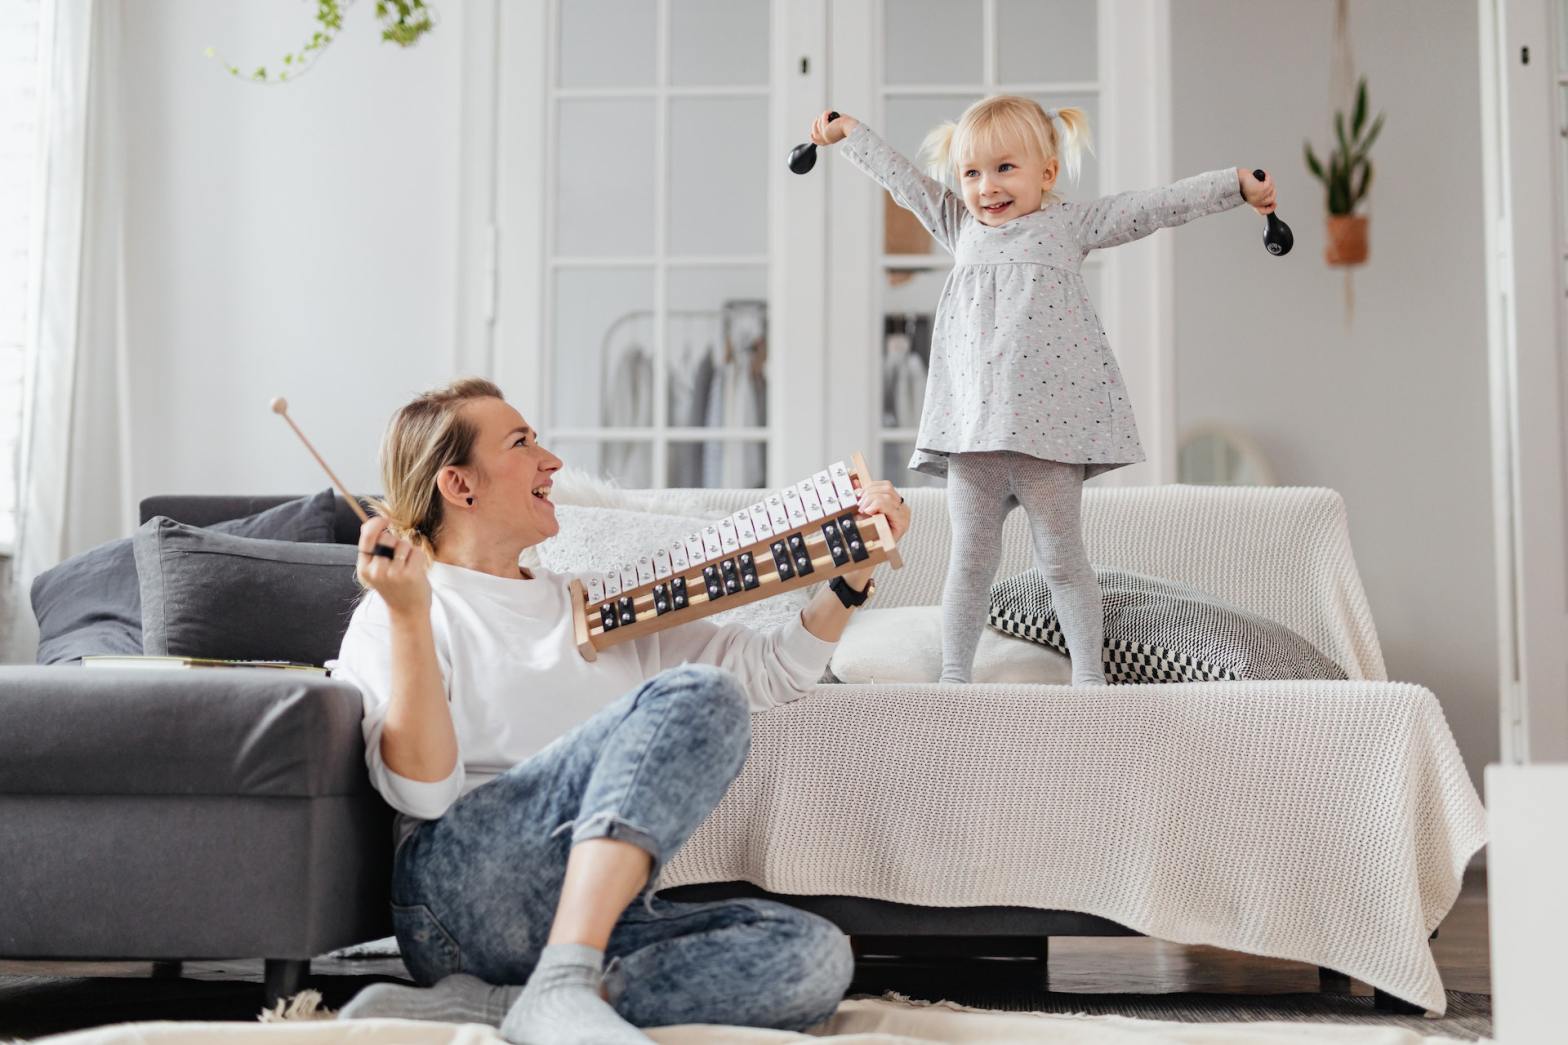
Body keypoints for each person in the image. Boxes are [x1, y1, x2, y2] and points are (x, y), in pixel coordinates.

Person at [331, 378, 912, 1044]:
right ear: (460, 486)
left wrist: (852, 572)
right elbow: (423, 793)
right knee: (702, 693)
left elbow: (776, 668)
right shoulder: (403, 608)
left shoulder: (599, 606)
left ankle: (516, 1001)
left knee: (816, 957)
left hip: (594, 916)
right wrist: (408, 614)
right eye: (522, 443)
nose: (551, 462)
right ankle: (566, 979)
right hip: (460, 897)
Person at [810, 97, 1277, 685]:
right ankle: (954, 680)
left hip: (1047, 442)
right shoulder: (960, 227)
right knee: (969, 565)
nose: (987, 187)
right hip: (974, 441)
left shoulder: (1067, 226)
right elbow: (901, 179)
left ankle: (1089, 680)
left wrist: (1232, 186)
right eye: (972, 173)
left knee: (1062, 562)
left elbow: (1150, 208)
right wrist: (849, 134)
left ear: (1047, 173)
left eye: (1006, 168)